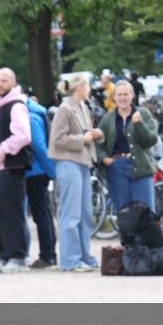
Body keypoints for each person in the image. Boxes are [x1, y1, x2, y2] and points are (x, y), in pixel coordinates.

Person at [48, 74, 103, 272]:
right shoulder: (65, 108)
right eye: (88, 85)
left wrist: (96, 134)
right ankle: (70, 260)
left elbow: (86, 133)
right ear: (81, 87)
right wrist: (83, 139)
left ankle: (84, 255)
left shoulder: (83, 107)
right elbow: (57, 139)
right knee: (71, 214)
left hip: (83, 163)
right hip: (68, 163)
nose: (89, 89)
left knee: (85, 213)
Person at [0, 68, 32, 273]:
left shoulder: (16, 104)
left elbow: (23, 135)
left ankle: (17, 257)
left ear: (13, 81)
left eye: (4, 80)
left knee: (12, 213)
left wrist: (1, 151)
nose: (0, 84)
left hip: (10, 166)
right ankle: (4, 256)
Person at [99, 81, 159, 213]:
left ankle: (144, 235)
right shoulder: (107, 118)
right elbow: (99, 143)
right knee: (124, 214)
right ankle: (128, 235)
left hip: (141, 167)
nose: (122, 98)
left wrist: (139, 124)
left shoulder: (143, 114)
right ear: (114, 97)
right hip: (117, 168)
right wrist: (104, 158)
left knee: (146, 212)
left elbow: (151, 140)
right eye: (119, 95)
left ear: (132, 95)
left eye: (126, 94)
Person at [25, 92, 57, 268]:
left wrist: (50, 169)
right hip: (41, 171)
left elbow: (38, 145)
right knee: (45, 213)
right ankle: (50, 253)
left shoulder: (30, 117)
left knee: (41, 215)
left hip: (35, 172)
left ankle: (47, 255)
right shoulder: (40, 113)